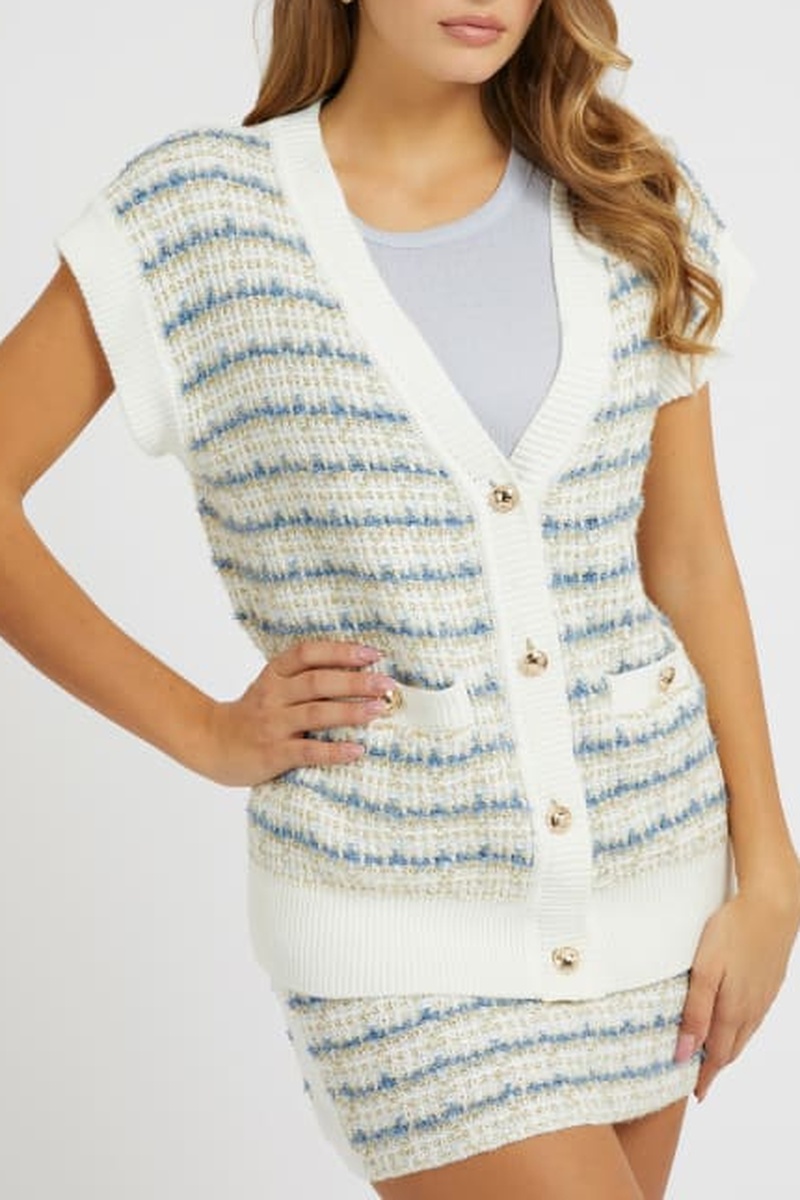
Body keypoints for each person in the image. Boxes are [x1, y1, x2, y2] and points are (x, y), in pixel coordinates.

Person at [1, 0, 798, 1196]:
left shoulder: (623, 195)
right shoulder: (199, 218)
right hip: (394, 931)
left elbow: (685, 559)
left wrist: (769, 873)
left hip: (656, 900)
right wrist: (202, 731)